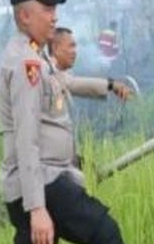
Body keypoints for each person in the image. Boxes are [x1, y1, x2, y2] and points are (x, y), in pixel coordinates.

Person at [0, 0, 136, 244]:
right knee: (105, 233)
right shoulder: (26, 63)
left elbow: (67, 82)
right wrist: (38, 208)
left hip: (39, 183)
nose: (54, 16)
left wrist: (108, 84)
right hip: (43, 183)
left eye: (55, 9)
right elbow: (26, 140)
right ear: (24, 16)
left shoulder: (36, 57)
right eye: (47, 9)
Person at [47, 26, 134, 170]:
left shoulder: (58, 73)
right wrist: (112, 85)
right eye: (71, 46)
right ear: (56, 48)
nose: (75, 52)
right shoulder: (47, 72)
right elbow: (73, 83)